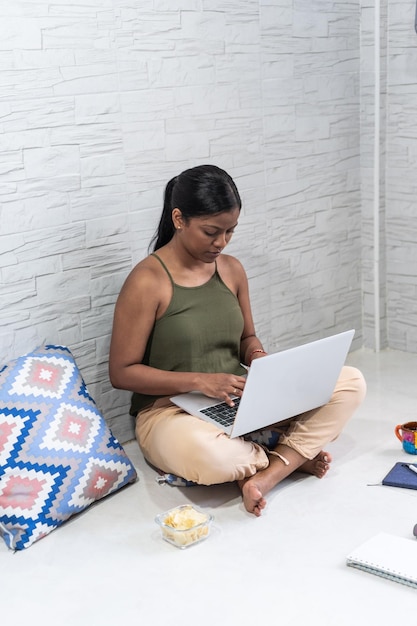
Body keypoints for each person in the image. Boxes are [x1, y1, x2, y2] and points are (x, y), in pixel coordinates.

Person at [109, 164, 366, 516]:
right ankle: (290, 454)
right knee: (214, 458)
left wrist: (258, 356)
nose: (221, 243)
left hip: (237, 402)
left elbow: (247, 336)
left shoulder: (231, 269)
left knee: (351, 382)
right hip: (169, 413)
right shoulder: (147, 280)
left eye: (230, 231)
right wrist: (199, 381)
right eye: (211, 232)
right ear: (179, 218)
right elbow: (121, 373)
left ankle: (268, 472)